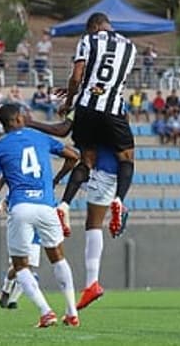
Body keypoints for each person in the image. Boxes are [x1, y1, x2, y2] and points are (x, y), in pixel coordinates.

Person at [0, 103, 80, 328]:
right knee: (58, 257)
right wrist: (57, 179)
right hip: (46, 206)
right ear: (17, 119)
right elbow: (73, 156)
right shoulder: (38, 137)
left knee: (20, 265)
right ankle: (72, 312)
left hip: (21, 208)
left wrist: (7, 176)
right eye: (24, 115)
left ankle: (46, 312)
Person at [26, 111, 127, 311]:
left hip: (99, 166)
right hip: (111, 164)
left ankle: (65, 205)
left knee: (93, 223)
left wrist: (28, 122)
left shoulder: (82, 102)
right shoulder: (114, 101)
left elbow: (61, 130)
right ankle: (118, 200)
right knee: (94, 221)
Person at [57, 12, 137, 241]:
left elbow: (78, 76)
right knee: (126, 157)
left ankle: (64, 204)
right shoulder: (130, 47)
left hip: (85, 109)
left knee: (86, 161)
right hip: (112, 110)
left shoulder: (88, 40)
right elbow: (112, 81)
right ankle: (120, 200)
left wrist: (70, 100)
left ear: (93, 27)